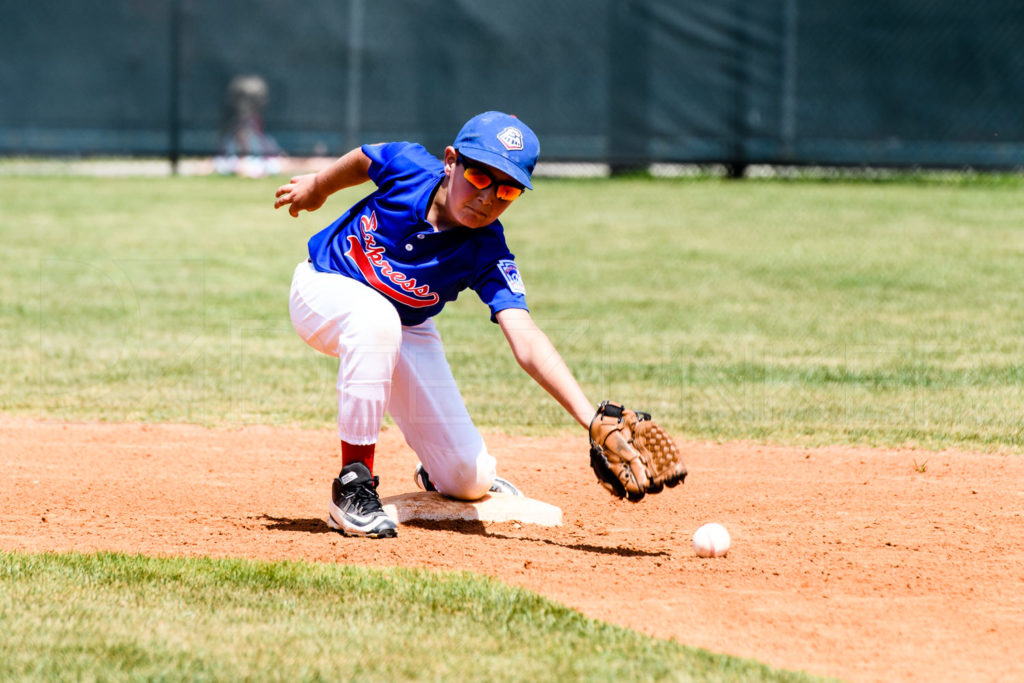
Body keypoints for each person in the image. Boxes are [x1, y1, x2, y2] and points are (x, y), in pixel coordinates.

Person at [274, 111, 594, 538]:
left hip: (406, 328)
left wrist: (591, 420)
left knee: (470, 479)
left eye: (507, 189)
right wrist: (318, 187)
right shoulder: (409, 166)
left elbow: (527, 339)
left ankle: (439, 469)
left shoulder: (487, 249)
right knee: (376, 319)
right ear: (451, 161)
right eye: (480, 176)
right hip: (323, 289)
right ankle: (353, 485)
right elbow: (364, 159)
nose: (489, 198)